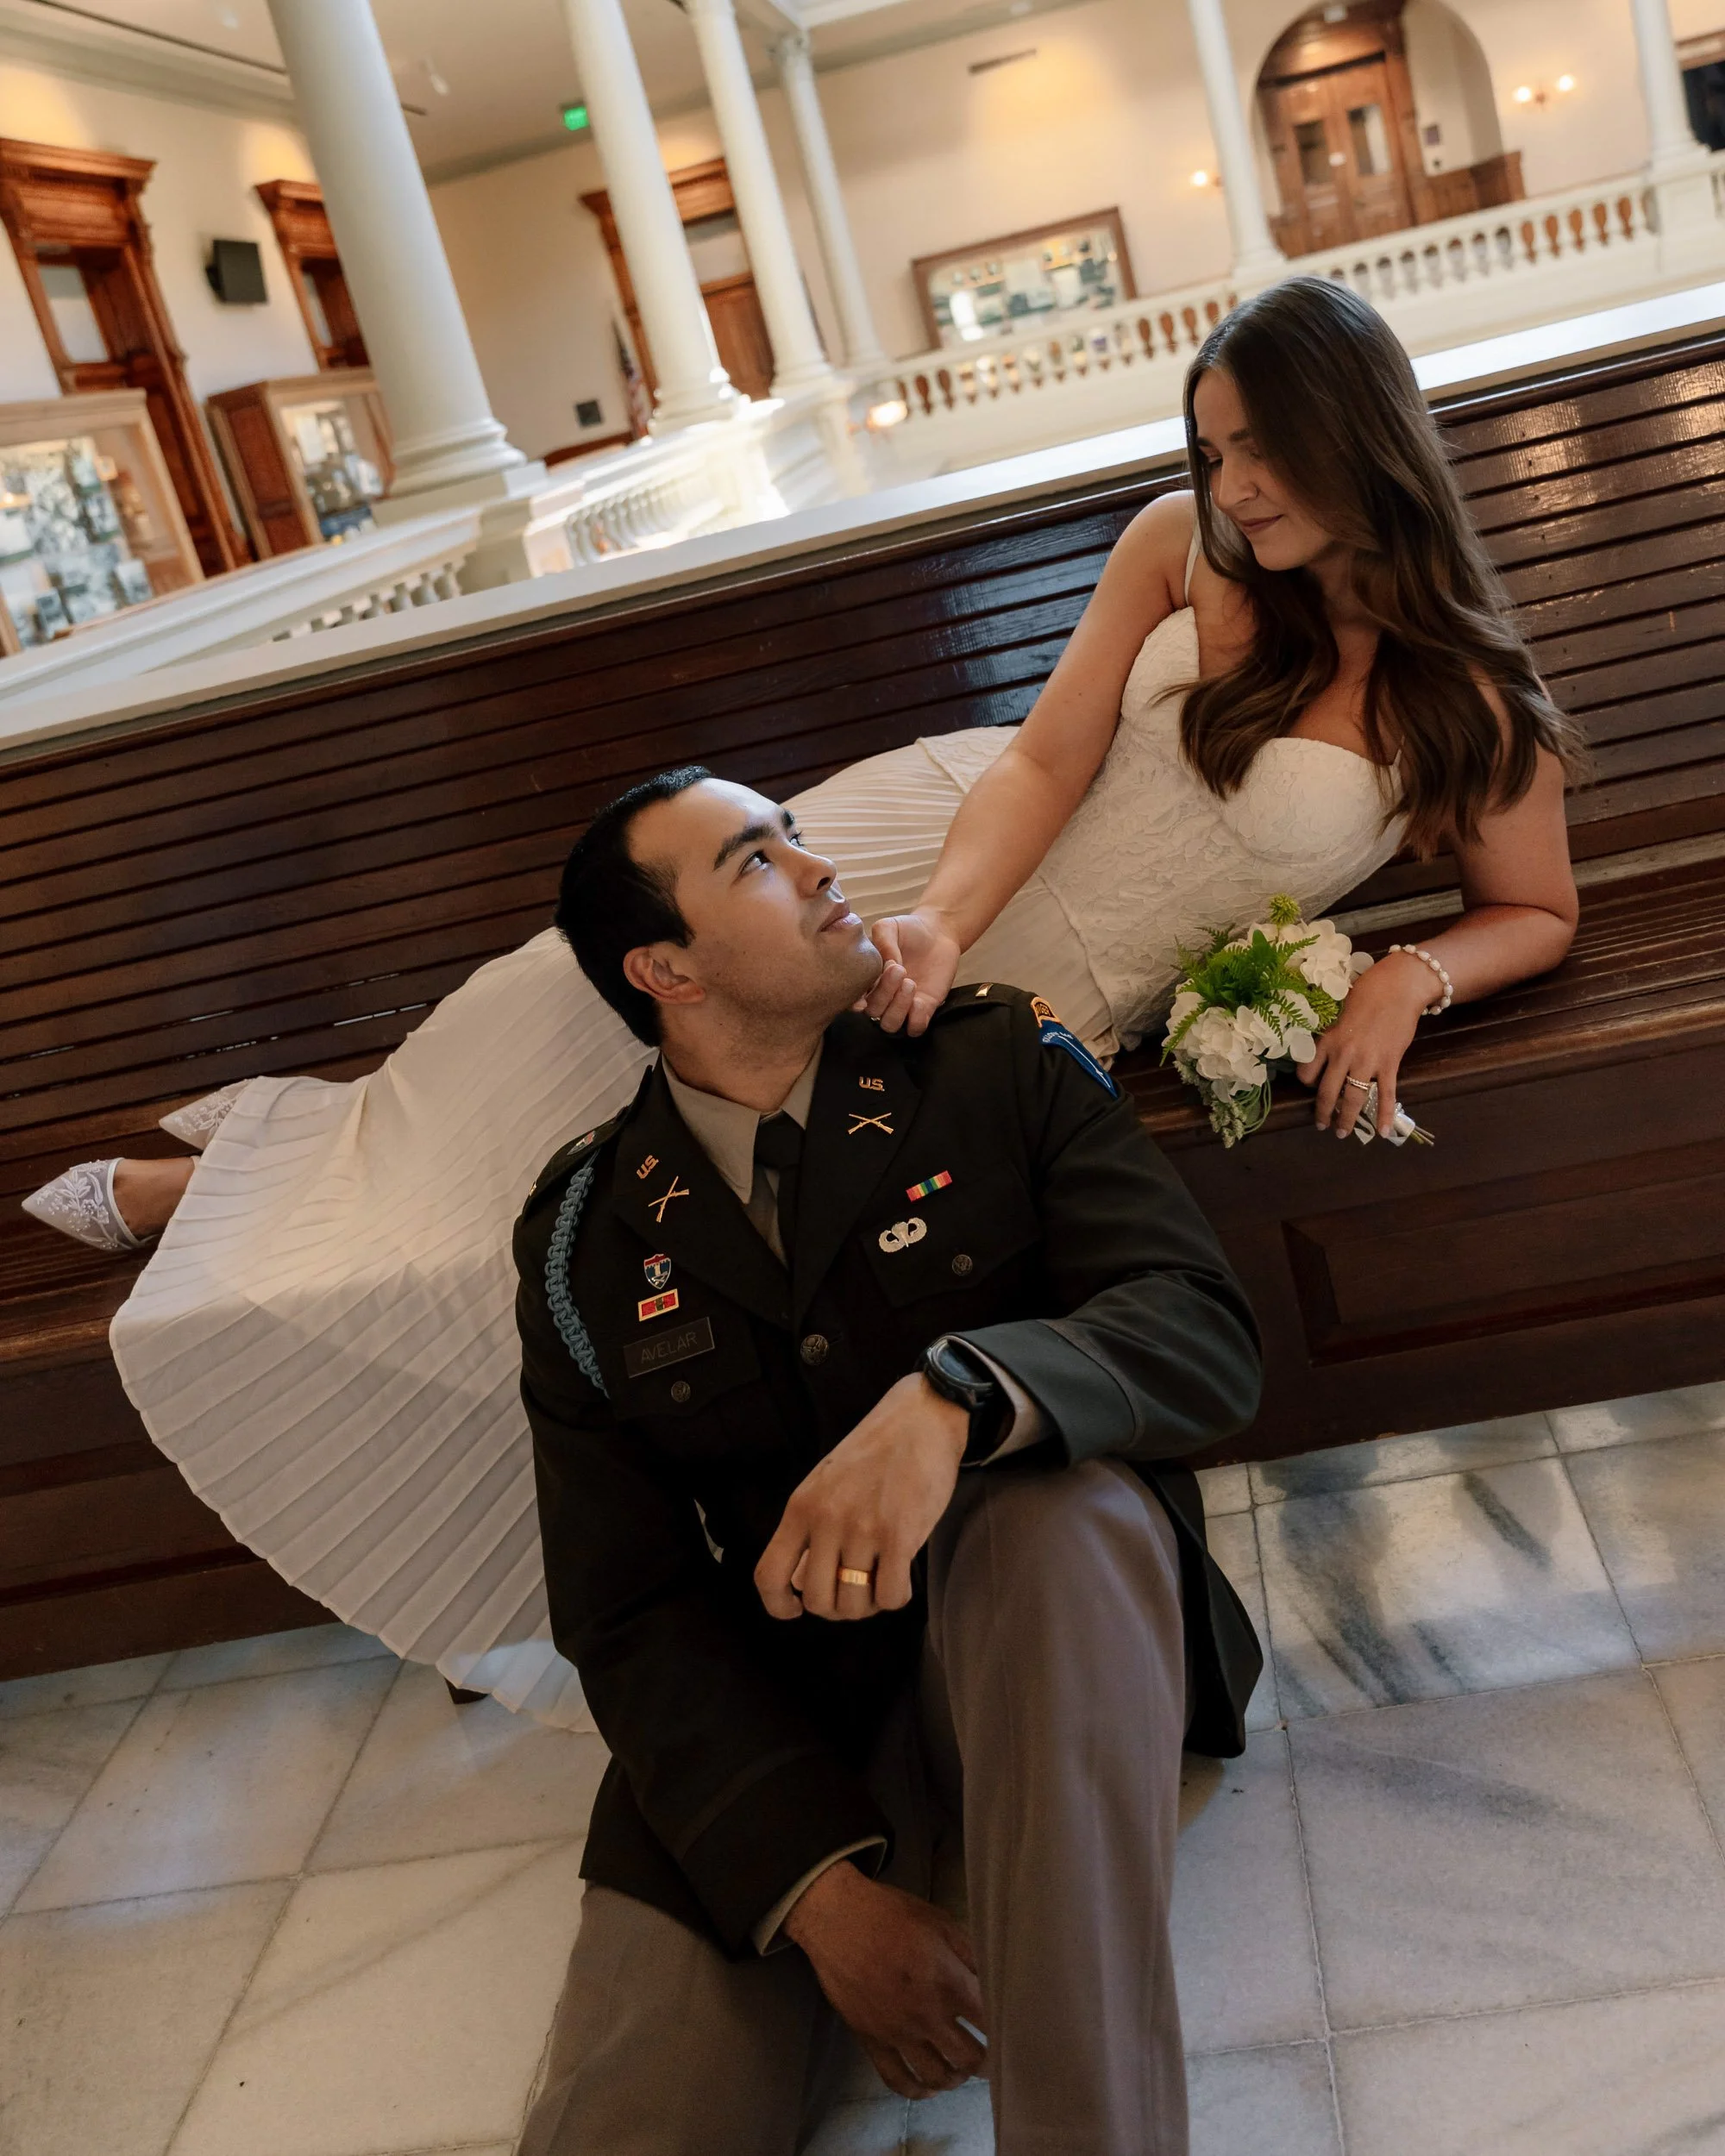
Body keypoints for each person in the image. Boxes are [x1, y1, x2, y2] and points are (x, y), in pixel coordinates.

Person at [22, 276, 1580, 1722]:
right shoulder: (1182, 547)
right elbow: (1046, 756)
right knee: (564, 1003)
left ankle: (463, 1491)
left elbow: (1537, 909)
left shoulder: (1468, 701)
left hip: (1061, 991)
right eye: (1214, 447)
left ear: (1355, 432)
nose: (1231, 485)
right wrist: (938, 924)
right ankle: (255, 1174)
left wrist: (1411, 971)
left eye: (1261, 451)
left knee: (667, 1176)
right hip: (940, 855)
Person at [512, 764, 1262, 2155]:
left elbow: (1202, 1333)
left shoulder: (993, 1059)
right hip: (792, 1710)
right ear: (666, 970)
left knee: (1057, 1519)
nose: (817, 868)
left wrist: (961, 1397)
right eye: (755, 860)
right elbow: (625, 1607)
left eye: (795, 836)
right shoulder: (584, 1242)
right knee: (634, 2118)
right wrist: (818, 1899)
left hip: (1046, 1623)